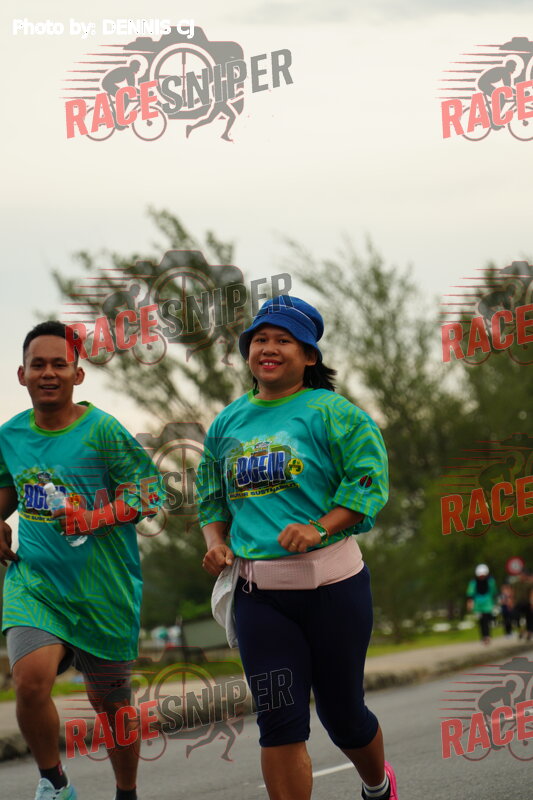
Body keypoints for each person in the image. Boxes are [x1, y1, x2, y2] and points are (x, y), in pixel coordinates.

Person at [196, 296, 398, 800]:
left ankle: (377, 786)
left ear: (308, 356)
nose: (268, 348)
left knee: (343, 714)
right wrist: (216, 543)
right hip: (260, 598)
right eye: (259, 340)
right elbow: (210, 496)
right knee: (279, 720)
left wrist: (319, 528)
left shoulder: (334, 414)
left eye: (283, 340)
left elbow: (368, 481)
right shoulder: (227, 423)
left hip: (335, 588)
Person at [0, 321, 165, 800]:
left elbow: (149, 493)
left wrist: (94, 517)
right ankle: (55, 784)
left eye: (59, 364)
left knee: (110, 703)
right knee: (30, 683)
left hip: (102, 588)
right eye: (38, 365)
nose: (48, 373)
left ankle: (126, 792)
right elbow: (6, 492)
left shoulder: (102, 430)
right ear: (21, 375)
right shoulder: (10, 436)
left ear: (78, 374)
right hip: (36, 583)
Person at [466, 564, 498, 644]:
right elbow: (470, 593)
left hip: (488, 603)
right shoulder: (473, 582)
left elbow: (494, 592)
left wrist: (495, 602)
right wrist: (470, 603)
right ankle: (483, 636)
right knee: (481, 621)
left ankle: (487, 636)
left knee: (486, 619)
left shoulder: (490, 581)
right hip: (478, 605)